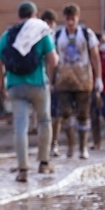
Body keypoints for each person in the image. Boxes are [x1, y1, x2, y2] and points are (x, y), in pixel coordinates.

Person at [0, 0, 59, 182]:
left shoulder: (7, 35)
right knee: (44, 121)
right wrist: (49, 74)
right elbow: (53, 61)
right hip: (38, 84)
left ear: (18, 16)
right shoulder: (41, 32)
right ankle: (44, 163)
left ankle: (23, 169)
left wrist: (3, 84)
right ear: (35, 15)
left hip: (15, 86)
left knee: (20, 127)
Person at [52, 4, 102, 159]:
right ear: (64, 19)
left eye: (73, 19)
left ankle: (83, 147)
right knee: (66, 113)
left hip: (83, 80)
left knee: (83, 114)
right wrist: (50, 79)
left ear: (78, 18)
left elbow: (95, 57)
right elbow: (52, 59)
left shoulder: (87, 34)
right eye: (67, 19)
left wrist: (98, 77)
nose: (70, 22)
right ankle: (71, 146)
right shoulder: (57, 35)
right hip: (64, 80)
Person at [42, 9, 62, 156]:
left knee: (57, 115)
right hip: (41, 81)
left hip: (58, 80)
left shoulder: (59, 38)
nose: (49, 25)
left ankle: (54, 143)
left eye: (51, 23)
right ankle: (45, 145)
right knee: (44, 115)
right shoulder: (39, 38)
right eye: (46, 22)